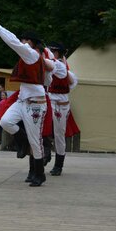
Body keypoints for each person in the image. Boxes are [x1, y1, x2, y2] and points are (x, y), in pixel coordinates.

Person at [0, 11, 54, 187]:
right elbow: (47, 79)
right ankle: (24, 143)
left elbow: (12, 41)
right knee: (5, 122)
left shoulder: (31, 54)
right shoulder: (35, 58)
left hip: (35, 103)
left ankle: (39, 174)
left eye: (25, 40)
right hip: (23, 100)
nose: (22, 42)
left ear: (32, 43)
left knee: (36, 141)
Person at [47, 42, 77, 175]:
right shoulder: (48, 66)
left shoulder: (64, 69)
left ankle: (58, 165)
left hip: (60, 105)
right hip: (48, 101)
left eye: (53, 51)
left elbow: (71, 82)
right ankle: (45, 153)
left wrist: (63, 69)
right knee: (41, 129)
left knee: (59, 134)